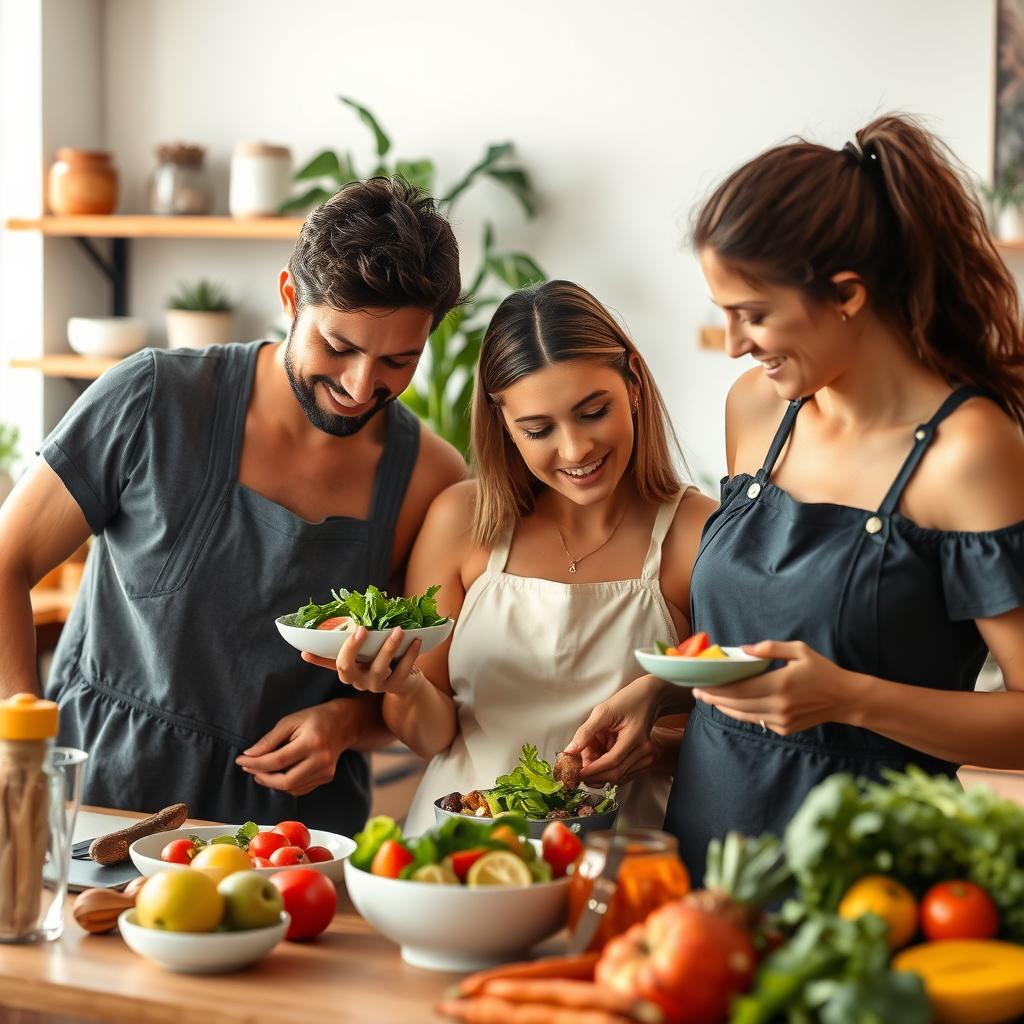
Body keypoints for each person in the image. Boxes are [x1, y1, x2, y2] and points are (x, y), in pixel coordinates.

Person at [566, 114, 1024, 882]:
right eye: (724, 312)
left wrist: (849, 700)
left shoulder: (969, 452)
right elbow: (765, 627)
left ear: (846, 294)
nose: (735, 342)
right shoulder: (757, 409)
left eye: (753, 312)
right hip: (703, 867)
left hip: (866, 888)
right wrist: (661, 689)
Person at [0, 178, 467, 834]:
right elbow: (6, 561)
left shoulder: (430, 477)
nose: (362, 387)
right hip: (104, 796)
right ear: (288, 298)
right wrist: (21, 754)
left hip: (292, 837)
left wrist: (344, 724)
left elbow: (421, 691)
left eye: (398, 360)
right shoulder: (154, 397)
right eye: (339, 347)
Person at [302, 280, 716, 834]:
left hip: (625, 856)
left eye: (593, 412)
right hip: (463, 848)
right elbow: (432, 735)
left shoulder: (698, 532)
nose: (575, 450)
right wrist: (401, 685)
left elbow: (740, 722)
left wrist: (656, 749)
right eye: (538, 429)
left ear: (633, 382)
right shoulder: (462, 521)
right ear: (502, 423)